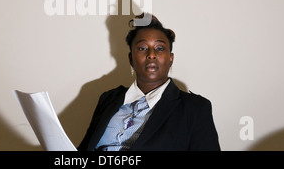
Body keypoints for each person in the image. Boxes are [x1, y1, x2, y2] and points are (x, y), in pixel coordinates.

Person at [78, 13, 220, 151]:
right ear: (131, 59)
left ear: (170, 58)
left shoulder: (195, 108)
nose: (151, 55)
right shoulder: (108, 99)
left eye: (159, 48)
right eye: (142, 48)